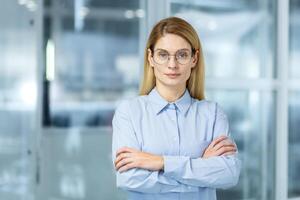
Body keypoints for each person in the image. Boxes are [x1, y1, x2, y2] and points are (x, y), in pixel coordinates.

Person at [112, 17, 241, 200]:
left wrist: (160, 162)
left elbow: (229, 173)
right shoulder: (129, 112)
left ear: (194, 59)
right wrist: (201, 168)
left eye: (182, 55)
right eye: (163, 55)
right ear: (151, 58)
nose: (172, 64)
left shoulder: (212, 114)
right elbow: (128, 178)